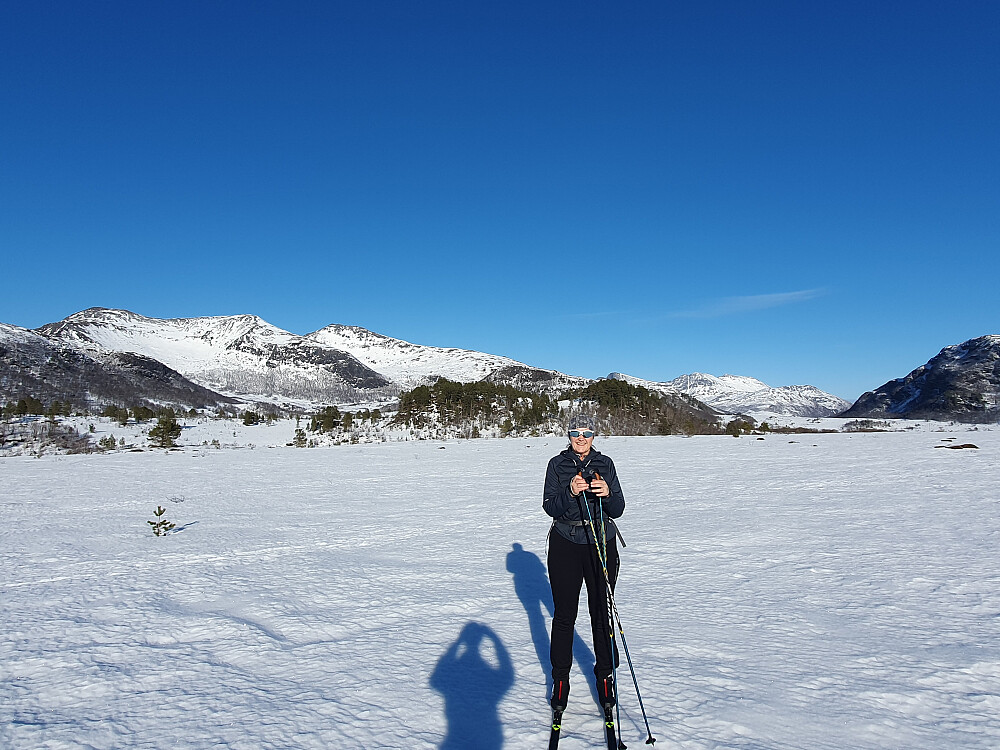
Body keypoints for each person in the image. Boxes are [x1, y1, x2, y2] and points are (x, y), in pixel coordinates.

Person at [543, 414, 625, 711]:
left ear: (594, 436)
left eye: (587, 432)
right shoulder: (557, 464)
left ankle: (605, 675)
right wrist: (570, 492)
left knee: (601, 612)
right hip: (565, 543)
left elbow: (618, 508)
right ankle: (560, 679)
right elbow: (549, 506)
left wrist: (608, 494)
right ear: (568, 435)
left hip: (601, 541)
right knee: (565, 615)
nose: (581, 437)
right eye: (575, 432)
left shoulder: (606, 464)